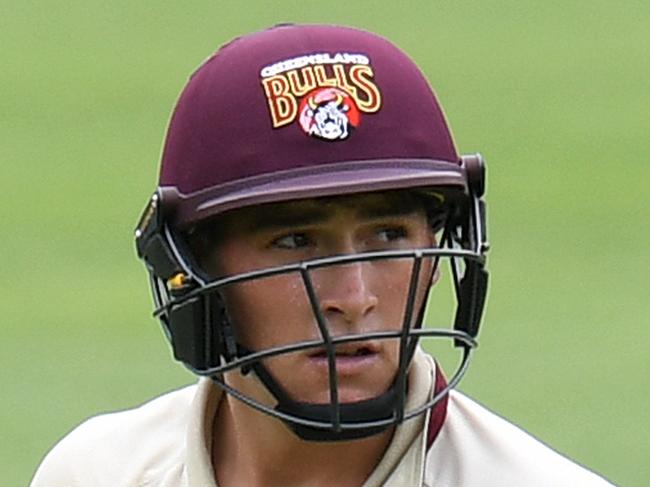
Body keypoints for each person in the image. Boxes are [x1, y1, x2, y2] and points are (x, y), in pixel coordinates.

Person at [31, 24, 614, 487]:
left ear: (437, 253)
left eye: (388, 236)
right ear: (191, 268)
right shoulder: (96, 474)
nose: (354, 300)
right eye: (293, 242)